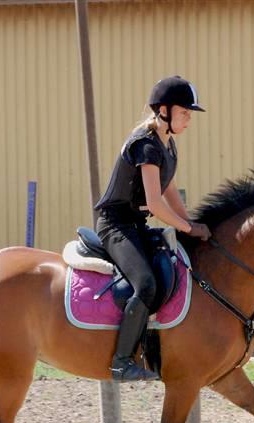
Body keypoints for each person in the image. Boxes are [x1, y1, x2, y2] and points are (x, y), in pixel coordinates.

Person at [94, 76, 212, 382]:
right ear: (163, 110)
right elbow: (156, 204)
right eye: (184, 113)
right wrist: (186, 227)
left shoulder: (167, 145)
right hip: (115, 225)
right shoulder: (145, 145)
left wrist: (191, 225)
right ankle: (121, 361)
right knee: (145, 283)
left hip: (136, 225)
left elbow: (170, 191)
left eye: (189, 114)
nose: (188, 119)